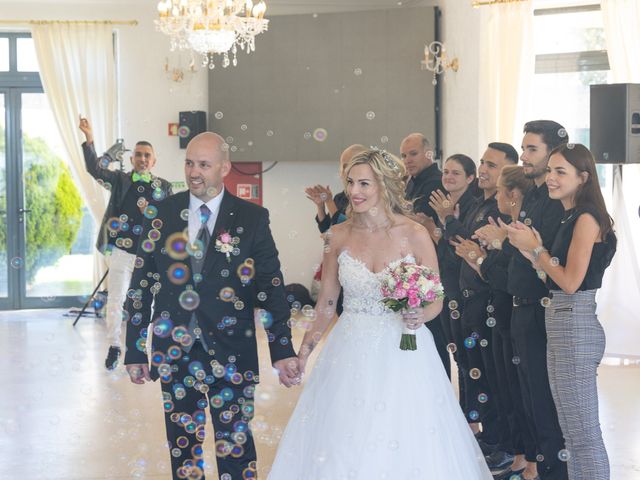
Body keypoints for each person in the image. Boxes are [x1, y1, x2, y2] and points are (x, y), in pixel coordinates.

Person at [268, 148, 492, 479]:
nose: (354, 192)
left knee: (403, 432)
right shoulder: (338, 236)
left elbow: (436, 298)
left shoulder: (414, 233)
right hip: (350, 348)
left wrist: (421, 315)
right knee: (345, 434)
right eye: (351, 182)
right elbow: (327, 303)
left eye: (364, 184)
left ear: (384, 186)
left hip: (405, 350)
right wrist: (303, 352)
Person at [124, 132, 299, 480]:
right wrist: (133, 348)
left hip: (233, 347)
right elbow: (141, 285)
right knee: (184, 449)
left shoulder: (251, 218)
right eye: (189, 163)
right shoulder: (163, 212)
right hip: (174, 347)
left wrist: (281, 347)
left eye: (204, 164)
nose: (194, 172)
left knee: (235, 447)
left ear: (224, 168)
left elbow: (270, 286)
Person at [504, 144, 616, 480]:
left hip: (575, 324)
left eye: (560, 172)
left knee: (584, 435)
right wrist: (531, 253)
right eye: (550, 170)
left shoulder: (586, 218)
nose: (550, 178)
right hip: (560, 322)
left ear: (583, 177)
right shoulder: (570, 216)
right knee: (570, 433)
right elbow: (550, 277)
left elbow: (570, 282)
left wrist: (536, 249)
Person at [436, 142, 518, 473]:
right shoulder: (477, 204)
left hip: (487, 301)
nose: (483, 169)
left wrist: (447, 222)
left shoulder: (497, 210)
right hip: (466, 297)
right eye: (483, 162)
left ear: (509, 171)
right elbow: (462, 246)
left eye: (492, 165)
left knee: (494, 378)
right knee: (475, 371)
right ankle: (488, 435)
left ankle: (501, 442)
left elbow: (464, 245)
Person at [79, 116, 173, 370]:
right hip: (122, 252)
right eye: (139, 155)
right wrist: (89, 139)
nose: (143, 159)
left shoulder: (163, 187)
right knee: (116, 300)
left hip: (150, 256)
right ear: (132, 159)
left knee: (148, 304)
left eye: (147, 156)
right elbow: (95, 170)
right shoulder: (121, 180)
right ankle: (114, 346)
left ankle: (143, 348)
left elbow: (171, 221)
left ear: (154, 161)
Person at [470, 166, 538, 479]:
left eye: (499, 190)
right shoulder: (507, 227)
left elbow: (509, 279)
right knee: (503, 388)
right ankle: (517, 455)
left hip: (515, 314)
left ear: (512, 195)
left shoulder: (519, 231)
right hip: (497, 312)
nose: (495, 196)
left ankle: (527, 459)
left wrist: (483, 259)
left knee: (517, 390)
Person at [428, 154, 478, 430]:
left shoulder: (470, 206)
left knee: (467, 359)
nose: (448, 177)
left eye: (456, 173)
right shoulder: (445, 204)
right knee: (458, 356)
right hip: (445, 285)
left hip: (463, 288)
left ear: (470, 178)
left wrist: (445, 223)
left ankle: (472, 421)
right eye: (445, 172)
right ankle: (462, 416)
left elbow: (462, 246)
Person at [400, 133, 450, 377]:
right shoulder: (410, 181)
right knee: (412, 329)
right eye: (404, 155)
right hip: (408, 266)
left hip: (429, 267)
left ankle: (436, 383)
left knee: (433, 333)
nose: (407, 160)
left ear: (428, 153)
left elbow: (424, 224)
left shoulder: (435, 182)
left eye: (413, 153)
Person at [305, 144, 366, 233]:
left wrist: (329, 202)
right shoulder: (339, 198)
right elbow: (326, 230)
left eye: (351, 165)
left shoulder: (368, 198)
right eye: (344, 166)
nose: (346, 170)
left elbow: (348, 231)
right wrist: (321, 206)